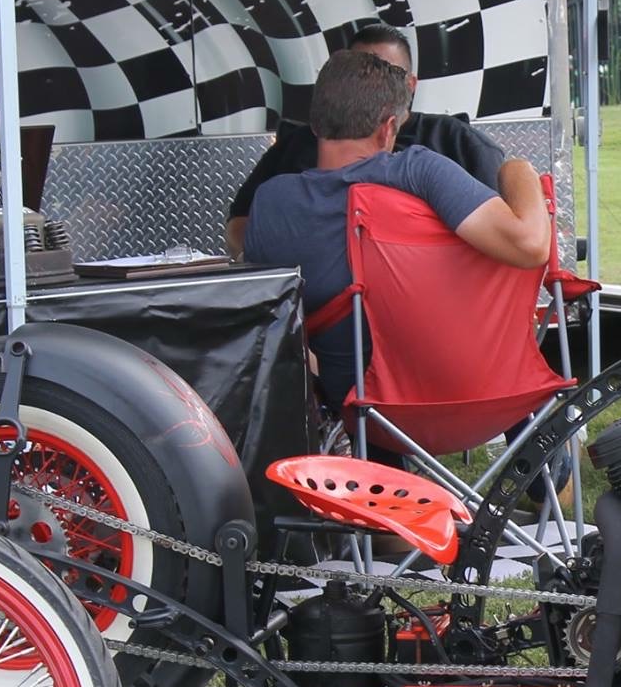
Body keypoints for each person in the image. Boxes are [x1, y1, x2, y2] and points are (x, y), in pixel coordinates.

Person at [242, 50, 549, 409]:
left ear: (315, 125)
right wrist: (518, 169)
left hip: (361, 406)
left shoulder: (270, 202)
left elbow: (270, 321)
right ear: (388, 128)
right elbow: (530, 245)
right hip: (476, 391)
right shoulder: (418, 173)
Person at [225, 22, 505, 259]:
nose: (373, 85)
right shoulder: (292, 156)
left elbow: (508, 236)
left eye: (389, 74)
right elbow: (240, 226)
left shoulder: (452, 145)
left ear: (410, 85)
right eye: (360, 74)